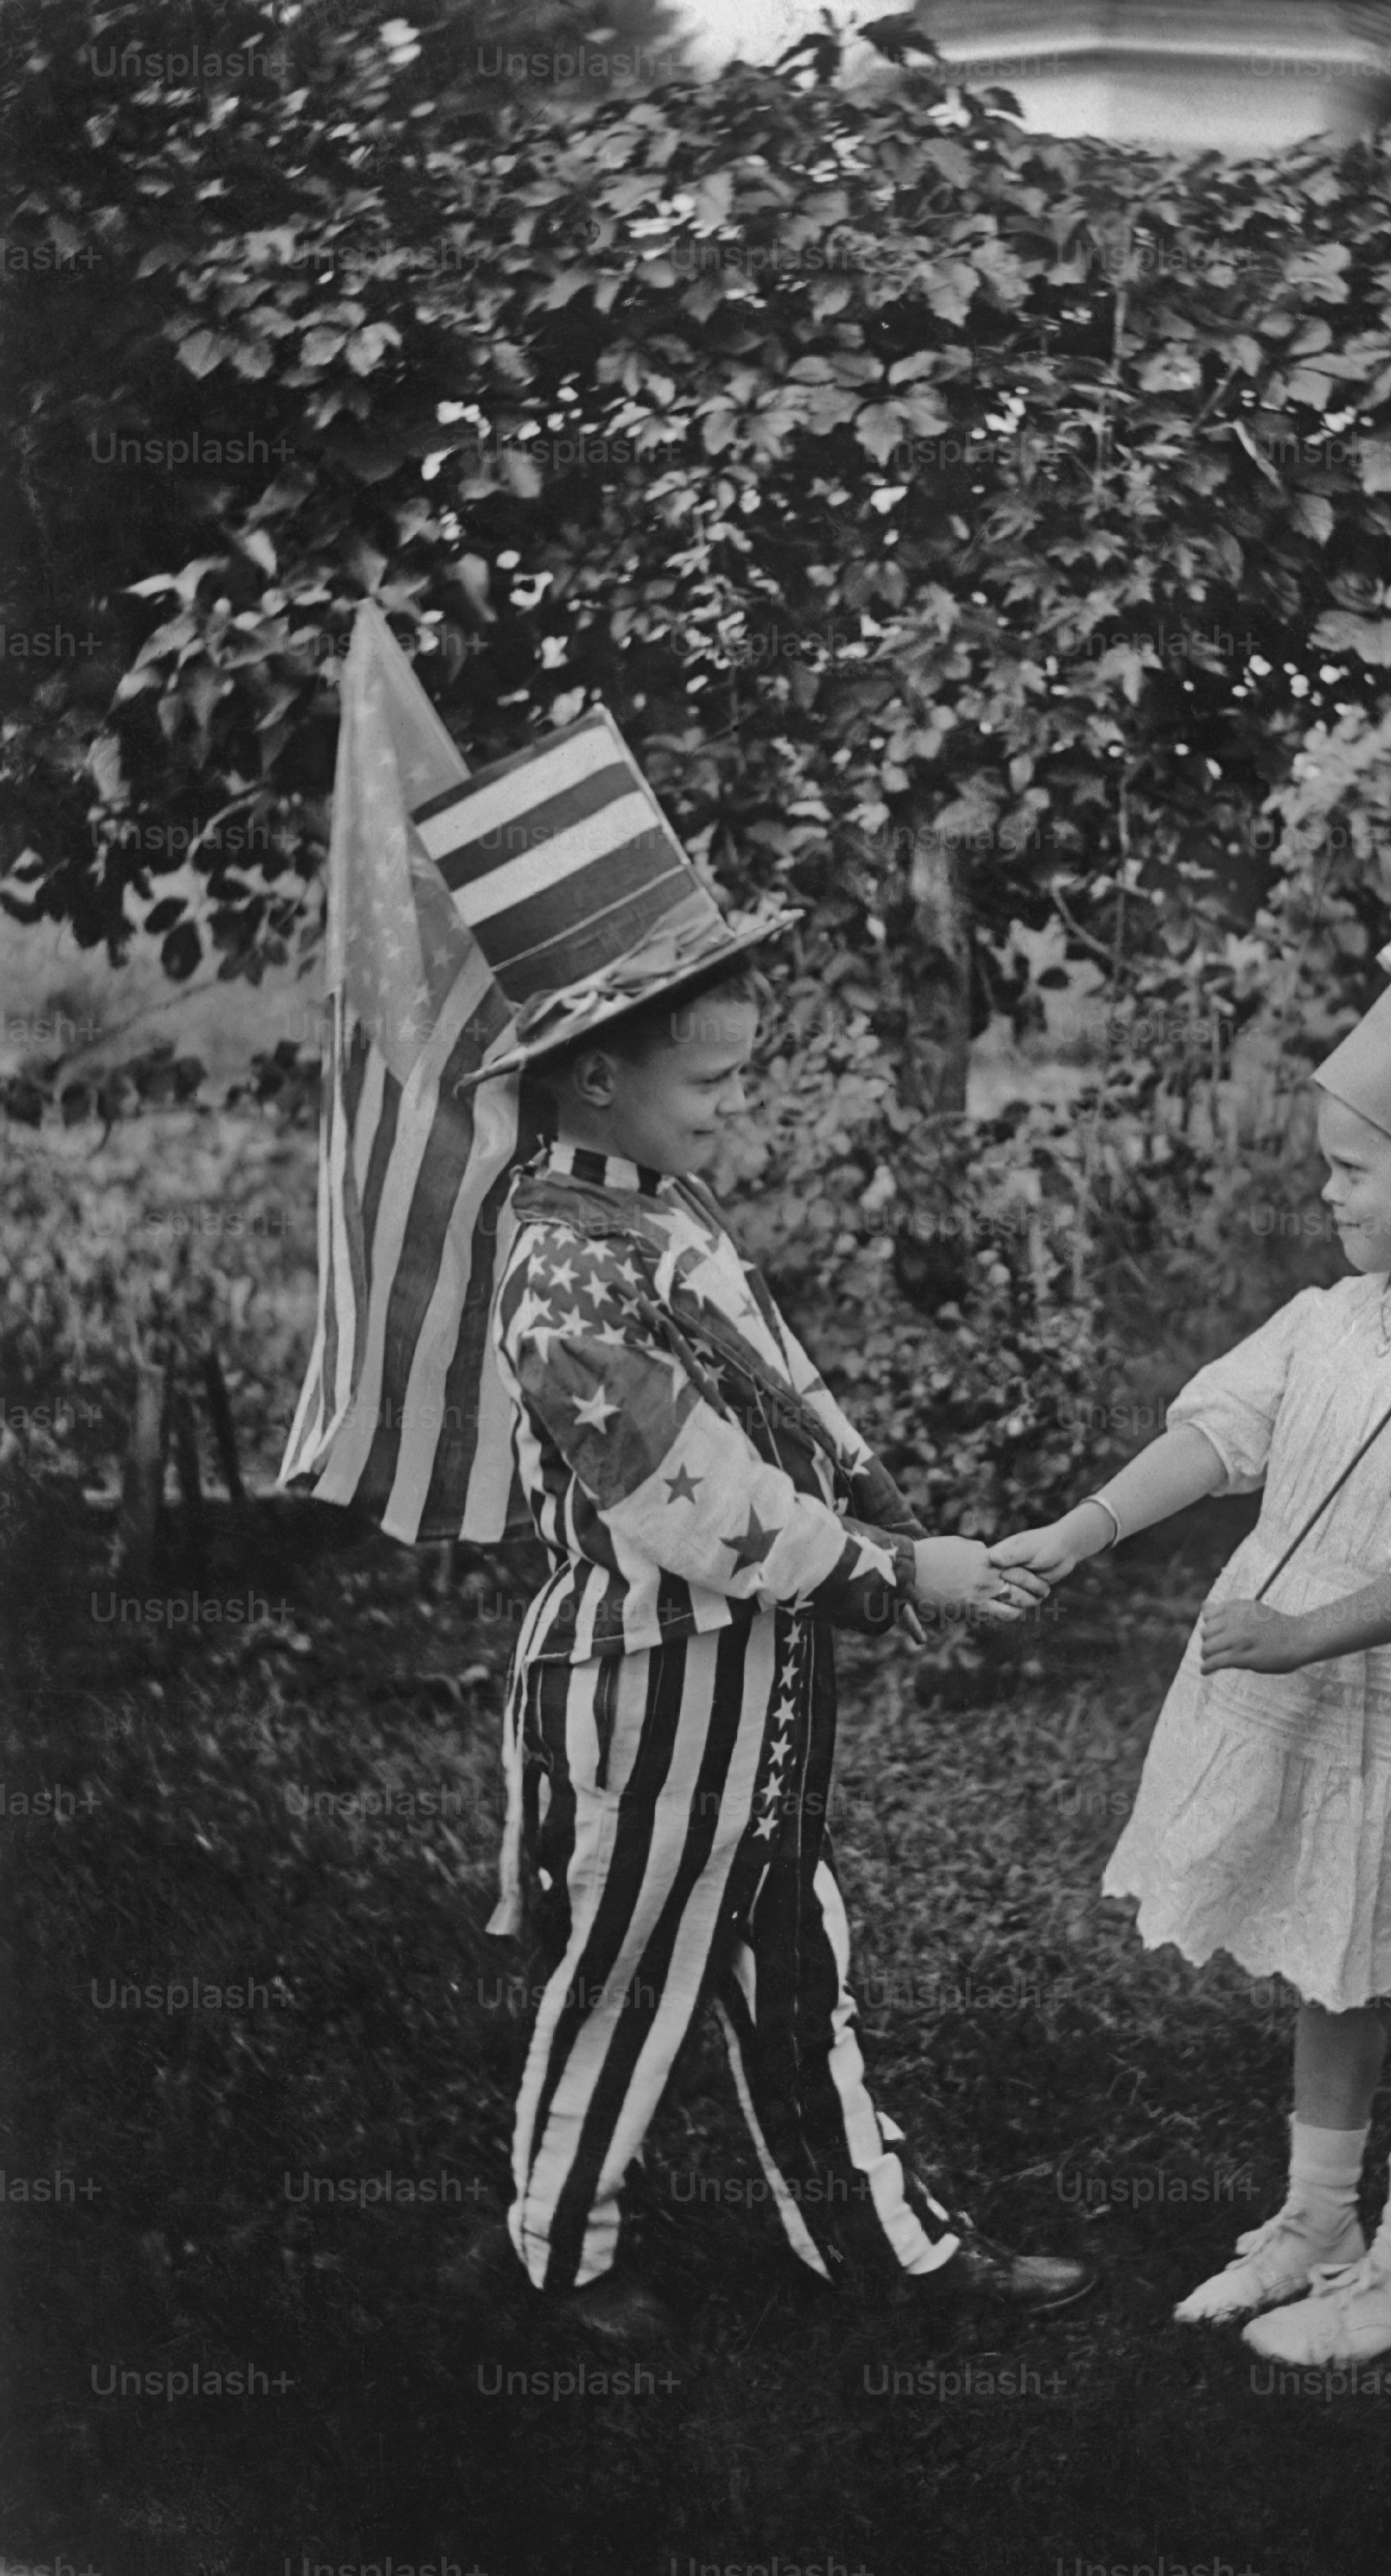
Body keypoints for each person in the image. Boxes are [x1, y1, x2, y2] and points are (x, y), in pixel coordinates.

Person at [427, 713, 1096, 2340]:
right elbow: (698, 1507)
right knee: (622, 1980)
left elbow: (774, 1395)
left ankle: (885, 2249)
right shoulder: (567, 1270)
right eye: (712, 1081)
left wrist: (878, 1512)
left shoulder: (653, 1206)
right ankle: (560, 2246)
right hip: (652, 1692)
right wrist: (890, 1570)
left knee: (794, 1965)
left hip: (756, 1697)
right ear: (601, 1072)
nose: (737, 1108)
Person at [993, 855, 1391, 2366]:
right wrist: (1081, 1531)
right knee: (1332, 1960)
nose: (1325, 1191)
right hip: (1316, 1707)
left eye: (1353, 1170)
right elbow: (1222, 1434)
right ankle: (1317, 2218)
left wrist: (1293, 1633)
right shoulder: (1326, 1319)